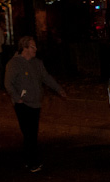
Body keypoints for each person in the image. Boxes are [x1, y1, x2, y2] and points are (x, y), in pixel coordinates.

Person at [4, 36, 66, 172]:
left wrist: (58, 89)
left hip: (35, 103)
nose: (35, 49)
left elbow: (46, 77)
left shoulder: (37, 63)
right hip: (23, 104)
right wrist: (17, 98)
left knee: (32, 133)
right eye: (32, 47)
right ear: (24, 48)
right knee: (29, 133)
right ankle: (32, 161)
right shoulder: (14, 64)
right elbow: (8, 83)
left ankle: (28, 158)